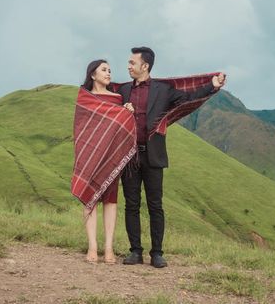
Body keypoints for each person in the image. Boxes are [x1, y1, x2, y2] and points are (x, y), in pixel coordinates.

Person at [118, 47, 226, 268]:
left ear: (145, 66)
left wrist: (212, 86)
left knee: (155, 205)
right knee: (131, 205)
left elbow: (189, 97)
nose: (128, 66)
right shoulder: (123, 90)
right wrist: (122, 109)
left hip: (153, 156)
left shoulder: (163, 90)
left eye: (132, 63)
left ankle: (157, 253)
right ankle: (135, 252)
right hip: (129, 156)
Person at [73, 59, 136, 264]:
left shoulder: (117, 98)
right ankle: (92, 246)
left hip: (110, 156)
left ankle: (108, 248)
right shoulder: (84, 98)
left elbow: (119, 124)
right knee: (89, 197)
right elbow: (82, 128)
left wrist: (127, 110)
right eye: (104, 70)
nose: (108, 73)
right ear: (93, 74)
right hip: (89, 153)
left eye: (110, 70)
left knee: (111, 200)